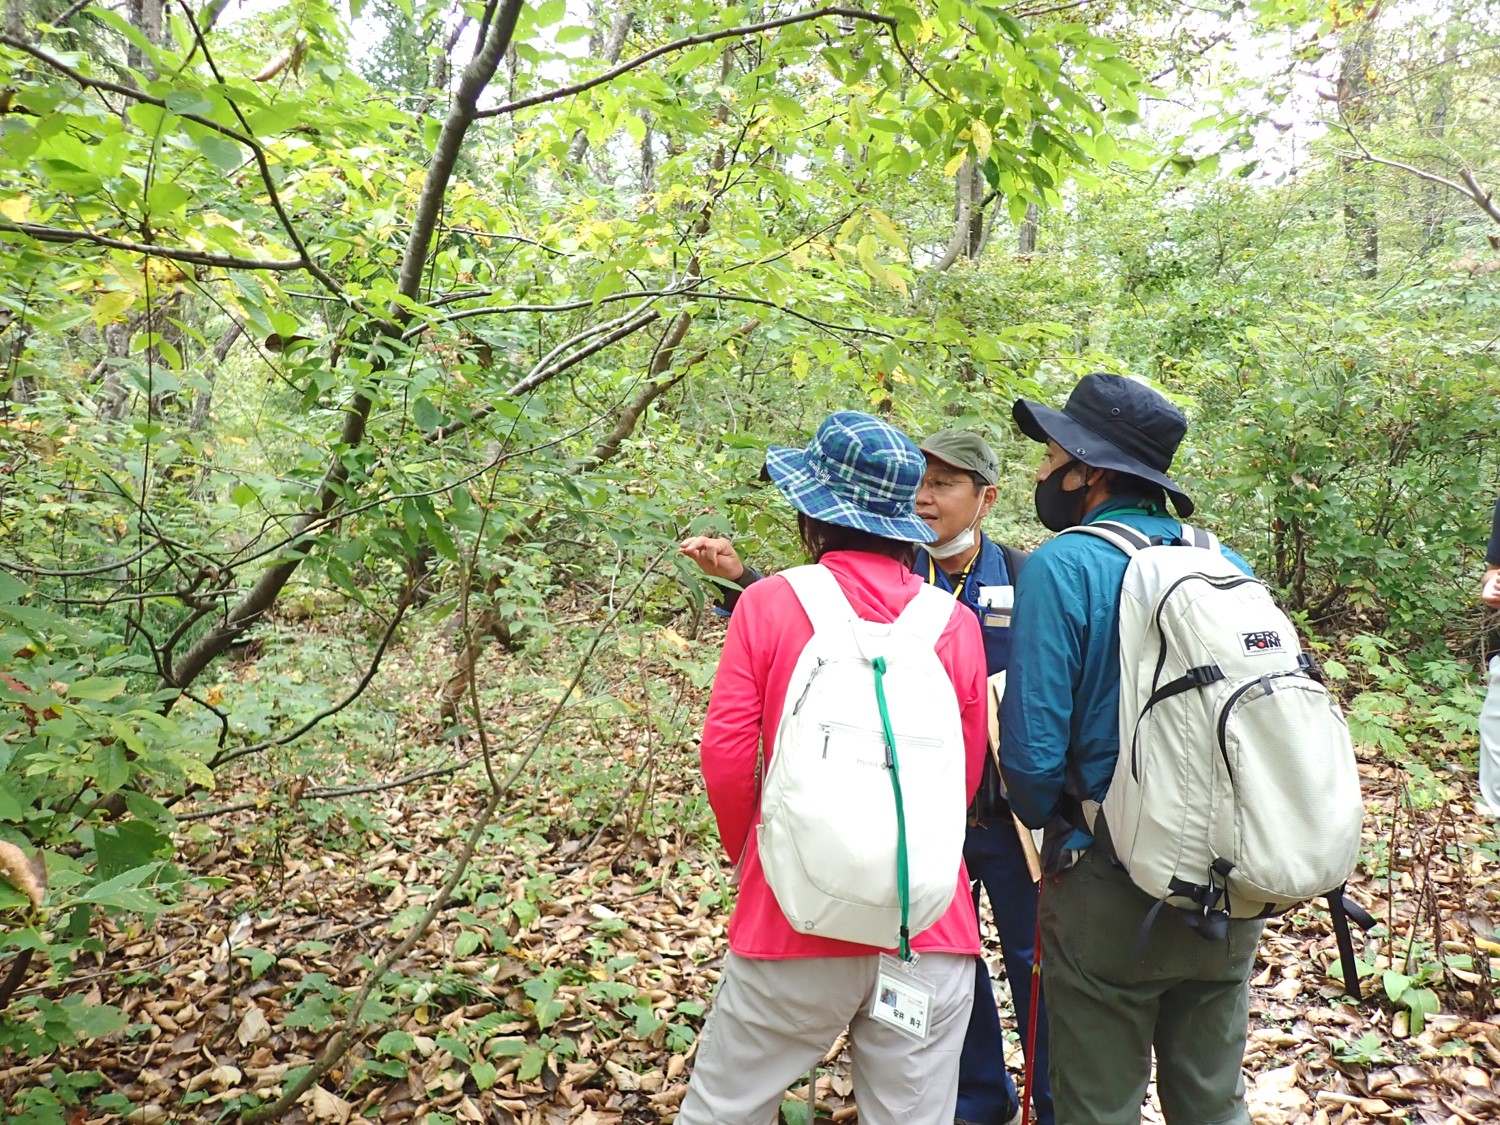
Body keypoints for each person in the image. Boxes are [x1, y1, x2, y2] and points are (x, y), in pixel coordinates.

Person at [682, 429, 1053, 1125]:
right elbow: (963, 771)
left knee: (724, 1110)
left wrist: (753, 858)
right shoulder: (951, 622)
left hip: (791, 923)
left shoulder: (770, 602)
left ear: (811, 511)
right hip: (927, 929)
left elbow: (729, 753)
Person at [999, 373, 1263, 1125]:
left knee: (1097, 1105)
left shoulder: (1063, 564)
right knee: (1213, 1101)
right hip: (1229, 884)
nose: (1042, 471)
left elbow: (1031, 761)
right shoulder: (1226, 562)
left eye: (1052, 455)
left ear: (1093, 472)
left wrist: (1049, 821)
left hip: (1108, 884)